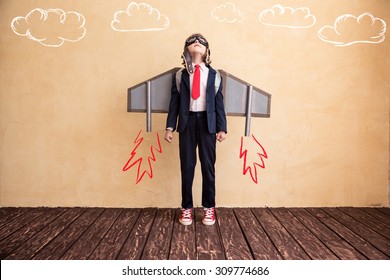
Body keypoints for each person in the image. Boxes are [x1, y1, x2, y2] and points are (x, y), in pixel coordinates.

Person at [164, 33, 227, 226]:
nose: (197, 43)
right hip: (187, 123)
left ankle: (209, 208)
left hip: (207, 124)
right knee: (187, 167)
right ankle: (186, 208)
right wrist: (169, 127)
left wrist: (221, 128)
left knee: (208, 167)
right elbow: (174, 102)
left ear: (207, 51)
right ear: (186, 50)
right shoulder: (180, 75)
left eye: (201, 42)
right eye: (192, 42)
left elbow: (219, 103)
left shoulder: (214, 75)